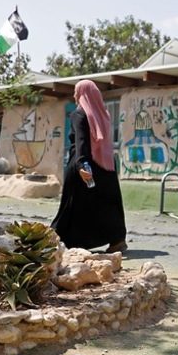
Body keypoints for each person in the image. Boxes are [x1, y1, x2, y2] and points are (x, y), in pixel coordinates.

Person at [51, 80, 128, 253]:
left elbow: (82, 141)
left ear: (83, 93)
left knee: (73, 206)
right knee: (108, 204)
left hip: (84, 165)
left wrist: (82, 164)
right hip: (106, 165)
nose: (74, 95)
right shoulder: (103, 113)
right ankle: (117, 240)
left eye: (76, 92)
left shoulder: (80, 113)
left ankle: (58, 242)